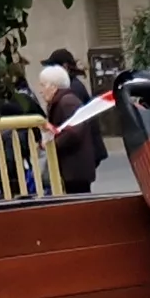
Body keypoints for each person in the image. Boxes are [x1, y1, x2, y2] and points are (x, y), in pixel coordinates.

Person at [40, 49, 102, 195]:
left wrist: (52, 144)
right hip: (72, 169)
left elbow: (75, 130)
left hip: (75, 170)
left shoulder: (67, 101)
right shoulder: (63, 100)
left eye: (43, 85)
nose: (41, 90)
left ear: (54, 86)